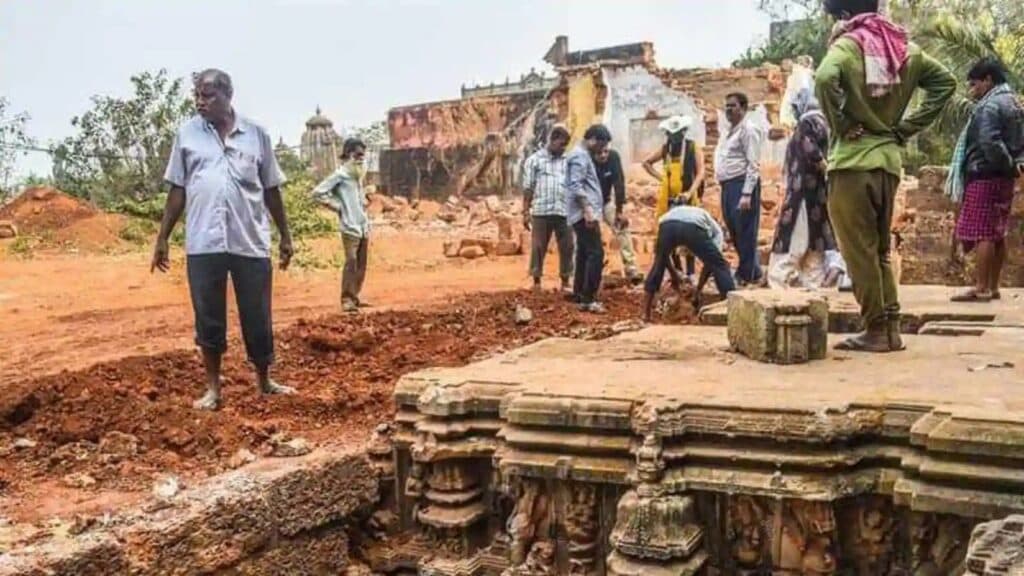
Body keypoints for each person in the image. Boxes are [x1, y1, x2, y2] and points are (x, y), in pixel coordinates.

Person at [152, 69, 295, 410]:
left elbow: (272, 189)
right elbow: (177, 189)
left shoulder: (256, 135)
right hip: (204, 241)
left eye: (208, 96)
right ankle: (213, 389)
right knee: (208, 317)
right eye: (197, 96)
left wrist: (285, 235)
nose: (201, 102)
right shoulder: (186, 134)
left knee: (258, 314)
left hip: (250, 240)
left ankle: (264, 381)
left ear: (228, 96)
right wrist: (163, 237)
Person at [816, 0, 955, 352]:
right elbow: (945, 83)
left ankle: (876, 328)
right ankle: (890, 328)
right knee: (879, 251)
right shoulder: (905, 49)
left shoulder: (848, 46)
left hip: (852, 163)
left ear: (843, 15)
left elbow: (823, 78)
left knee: (858, 253)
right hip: (888, 162)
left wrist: (842, 124)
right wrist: (906, 127)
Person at [947, 57, 1024, 302]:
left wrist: (1004, 163)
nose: (973, 90)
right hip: (1004, 176)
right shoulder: (1013, 102)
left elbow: (989, 141)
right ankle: (993, 285)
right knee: (997, 231)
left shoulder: (989, 107)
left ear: (988, 80)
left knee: (983, 233)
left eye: (975, 84)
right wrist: (1012, 167)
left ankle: (981, 287)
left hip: (985, 173)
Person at [768, 87, 842, 289]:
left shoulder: (807, 123)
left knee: (792, 248)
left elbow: (812, 152)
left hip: (801, 197)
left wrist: (827, 169)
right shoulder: (826, 124)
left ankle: (779, 295)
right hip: (816, 197)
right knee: (813, 254)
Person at [643, 204, 735, 322]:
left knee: (658, 264)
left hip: (667, 225)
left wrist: (675, 276)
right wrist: (698, 288)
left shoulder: (686, 213)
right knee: (720, 265)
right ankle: (731, 308)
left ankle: (645, 314)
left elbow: (663, 257)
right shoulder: (717, 232)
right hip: (692, 227)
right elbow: (711, 264)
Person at [643, 115, 706, 284]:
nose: (673, 137)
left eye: (676, 134)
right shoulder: (666, 149)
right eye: (670, 134)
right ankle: (676, 271)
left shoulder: (693, 148)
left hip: (687, 197)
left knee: (690, 234)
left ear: (684, 132)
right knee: (669, 234)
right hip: (669, 199)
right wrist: (661, 179)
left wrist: (690, 192)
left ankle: (691, 272)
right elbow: (647, 163)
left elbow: (700, 173)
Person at [312, 138, 371, 313]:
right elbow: (317, 193)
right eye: (358, 154)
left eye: (363, 155)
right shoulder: (341, 175)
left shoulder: (357, 175)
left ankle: (354, 296)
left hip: (362, 225)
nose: (361, 158)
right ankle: (346, 298)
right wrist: (337, 206)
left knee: (361, 263)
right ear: (349, 155)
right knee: (351, 261)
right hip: (349, 225)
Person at [715, 93, 764, 286]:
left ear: (743, 108)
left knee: (745, 230)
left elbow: (753, 163)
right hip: (727, 185)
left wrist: (746, 193)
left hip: (741, 184)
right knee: (734, 229)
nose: (728, 110)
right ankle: (754, 271)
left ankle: (746, 274)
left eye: (732, 106)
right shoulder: (728, 132)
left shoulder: (749, 130)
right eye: (726, 106)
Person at [521, 125, 574, 292]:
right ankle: (536, 282)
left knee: (567, 246)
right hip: (541, 211)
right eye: (561, 144)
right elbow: (528, 187)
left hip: (563, 210)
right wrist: (525, 212)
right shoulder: (534, 161)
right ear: (552, 140)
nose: (563, 148)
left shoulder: (567, 161)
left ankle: (566, 281)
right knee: (538, 246)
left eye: (566, 145)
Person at [565, 124, 611, 313]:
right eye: (601, 144)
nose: (602, 149)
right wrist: (587, 210)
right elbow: (575, 185)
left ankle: (579, 293)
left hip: (582, 213)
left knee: (584, 253)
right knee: (596, 253)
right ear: (592, 139)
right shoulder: (579, 156)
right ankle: (589, 298)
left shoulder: (581, 155)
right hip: (584, 214)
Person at [594, 146, 642, 283]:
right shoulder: (586, 159)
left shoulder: (613, 157)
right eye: (599, 153)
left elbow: (619, 183)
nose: (603, 155)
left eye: (605, 152)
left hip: (606, 200)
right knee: (586, 235)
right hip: (589, 203)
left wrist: (619, 212)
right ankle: (582, 271)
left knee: (622, 227)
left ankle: (630, 267)